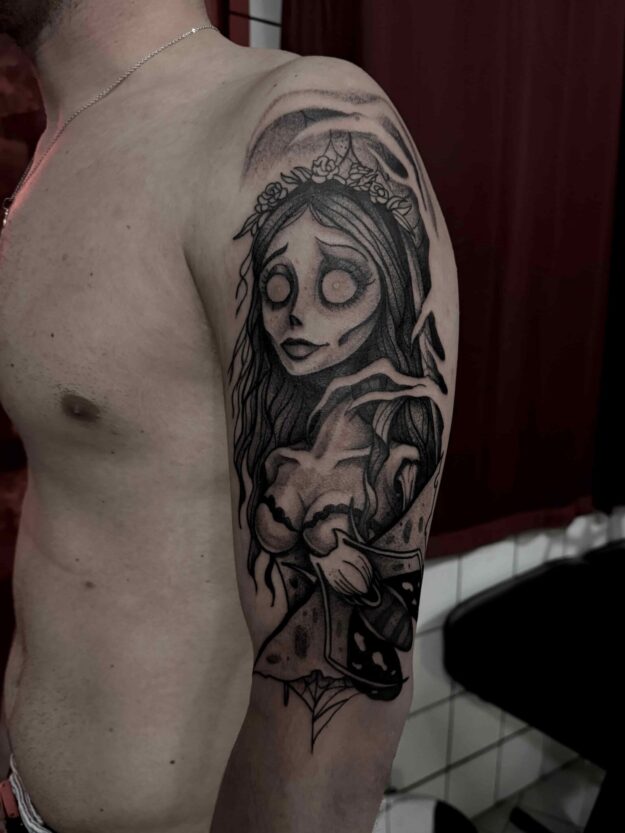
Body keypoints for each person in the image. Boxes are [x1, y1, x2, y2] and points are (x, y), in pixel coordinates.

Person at [0, 1, 458, 831]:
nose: (305, 311)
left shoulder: (286, 129)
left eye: (337, 285)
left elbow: (335, 717)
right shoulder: (59, 146)